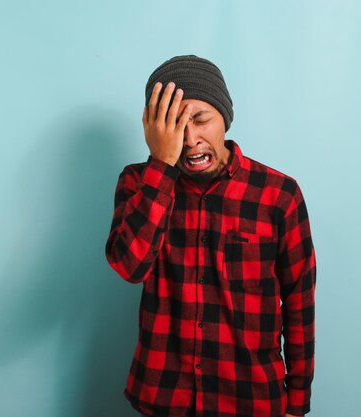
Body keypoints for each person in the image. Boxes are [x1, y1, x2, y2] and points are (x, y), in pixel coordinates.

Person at [106, 55, 316, 417]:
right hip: (163, 396)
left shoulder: (278, 195)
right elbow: (130, 267)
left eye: (200, 120)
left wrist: (297, 403)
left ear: (224, 119)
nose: (189, 139)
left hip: (250, 399)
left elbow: (299, 304)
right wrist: (160, 165)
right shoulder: (138, 183)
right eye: (173, 124)